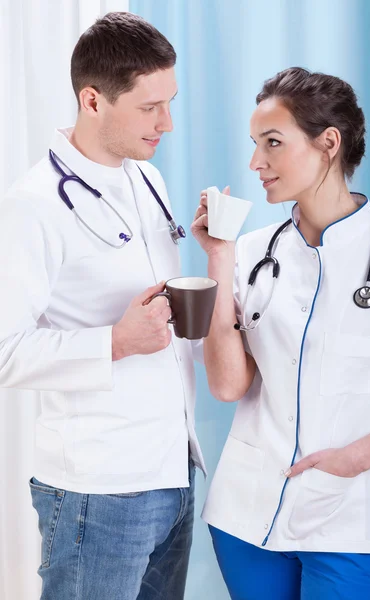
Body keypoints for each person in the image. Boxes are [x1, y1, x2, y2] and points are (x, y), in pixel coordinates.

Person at [0, 12, 205, 600]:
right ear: (92, 100)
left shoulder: (147, 180)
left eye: (170, 102)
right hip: (98, 489)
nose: (167, 122)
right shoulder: (33, 206)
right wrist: (114, 342)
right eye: (149, 108)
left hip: (172, 472)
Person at [192, 67, 370, 599]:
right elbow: (228, 385)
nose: (255, 163)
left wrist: (353, 460)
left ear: (329, 143)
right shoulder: (249, 251)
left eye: (273, 143)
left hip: (353, 518)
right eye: (254, 144)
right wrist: (219, 257)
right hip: (247, 514)